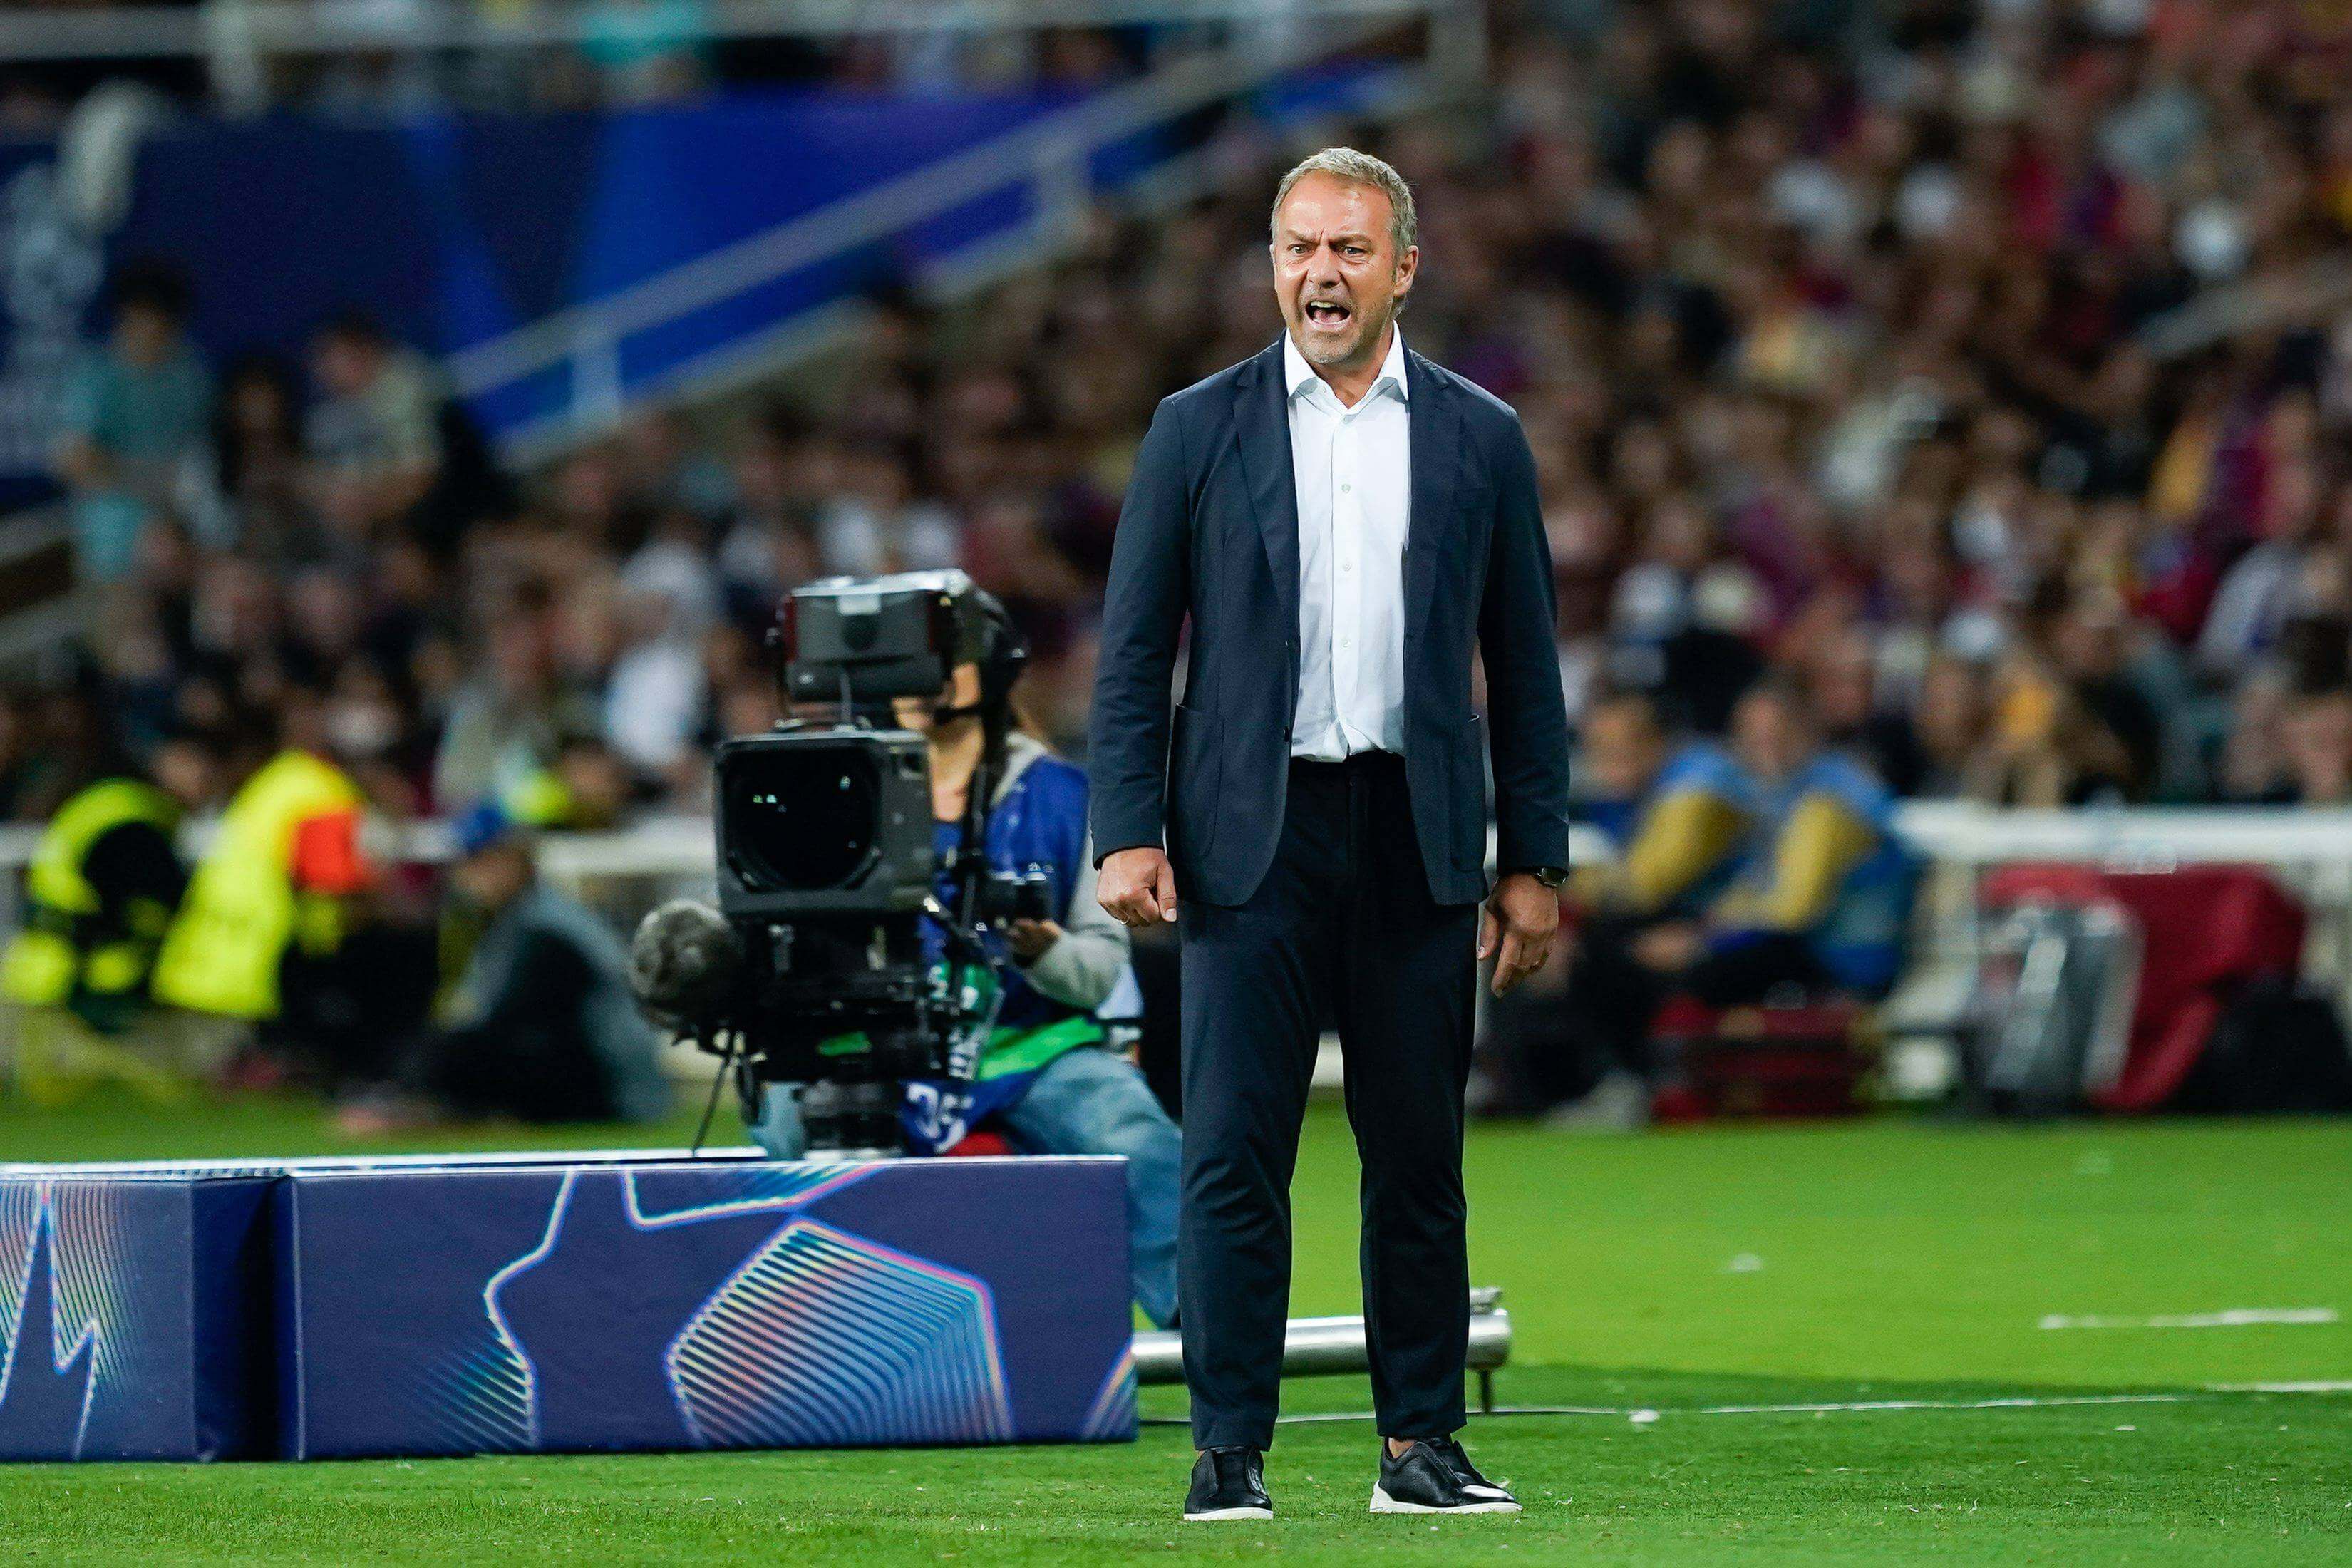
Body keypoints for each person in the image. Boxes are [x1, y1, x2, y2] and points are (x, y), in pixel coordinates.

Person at [1089, 148, 1569, 1520]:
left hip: (1419, 831)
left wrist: (1534, 860)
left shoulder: (1481, 435)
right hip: (1251, 836)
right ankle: (1227, 1450)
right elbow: (1135, 652)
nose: (1321, 272)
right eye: (1300, 247)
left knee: (1417, 1156)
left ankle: (1419, 1448)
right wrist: (1126, 829)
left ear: (1404, 268)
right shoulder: (1196, 427)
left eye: (1350, 249)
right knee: (1233, 1151)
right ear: (1273, 267)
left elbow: (1525, 663)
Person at [747, 621, 1180, 1330]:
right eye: (901, 662)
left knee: (1138, 1136)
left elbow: (1101, 973)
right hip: (870, 1040)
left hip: (1029, 1045)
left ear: (993, 670)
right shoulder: (832, 785)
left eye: (940, 660)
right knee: (785, 1120)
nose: (919, 678)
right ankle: (814, 1335)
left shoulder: (1065, 794)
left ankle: (1209, 1337)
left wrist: (1043, 950)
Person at [1477, 688, 1751, 1123]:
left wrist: (1556, 907)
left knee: (1589, 949)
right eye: (1597, 749)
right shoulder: (1631, 792)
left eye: (1619, 750)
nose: (1603, 763)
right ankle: (1517, 1088)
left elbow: (1642, 886)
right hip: (1678, 923)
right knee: (1530, 934)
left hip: (1734, 934)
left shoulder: (1699, 788)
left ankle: (1618, 1083)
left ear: (1656, 742)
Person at [148, 710, 434, 1089]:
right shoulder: (320, 790)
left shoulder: (279, 779)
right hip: (270, 946)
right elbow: (329, 882)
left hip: (220, 945)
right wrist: (397, 906)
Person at [344, 801, 669, 1131]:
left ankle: (421, 1110)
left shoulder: (546, 931)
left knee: (468, 1050)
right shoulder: (518, 918)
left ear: (517, 860)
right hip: (602, 1075)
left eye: (484, 861)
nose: (471, 875)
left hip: (615, 1089)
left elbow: (504, 1021)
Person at [1636, 679, 1912, 1004]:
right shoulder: (1780, 792)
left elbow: (1794, 911)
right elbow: (1757, 884)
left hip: (1847, 959)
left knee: (1683, 974)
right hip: (1805, 941)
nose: (1762, 746)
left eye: (1775, 733)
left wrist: (1703, 941)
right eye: (1751, 735)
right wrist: (1704, 927)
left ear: (1806, 729)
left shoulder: (1829, 802)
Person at [51, 264, 213, 584]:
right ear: (124, 317)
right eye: (141, 317)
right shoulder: (95, 376)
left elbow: (205, 448)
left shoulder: (190, 373)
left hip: (187, 508)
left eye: (162, 320)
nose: (151, 329)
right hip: (115, 512)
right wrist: (147, 480)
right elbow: (72, 460)